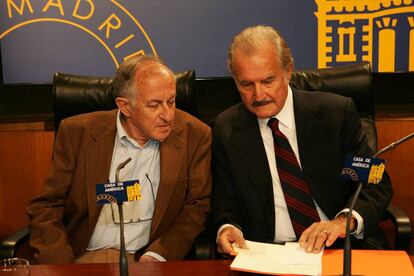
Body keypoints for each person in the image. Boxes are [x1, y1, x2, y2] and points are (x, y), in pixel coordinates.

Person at [211, 25, 393, 255]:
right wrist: (226, 228)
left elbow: (375, 181)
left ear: (288, 71)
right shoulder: (227, 129)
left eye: (268, 81)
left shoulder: (335, 114)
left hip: (337, 246)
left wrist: (343, 222)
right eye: (246, 84)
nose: (258, 95)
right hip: (265, 253)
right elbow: (223, 199)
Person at [27, 56, 212, 264]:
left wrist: (157, 255)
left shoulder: (195, 135)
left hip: (147, 258)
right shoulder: (77, 133)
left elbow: (197, 206)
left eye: (171, 101)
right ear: (124, 107)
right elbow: (47, 206)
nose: (168, 115)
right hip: (83, 257)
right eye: (154, 105)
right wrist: (61, 265)